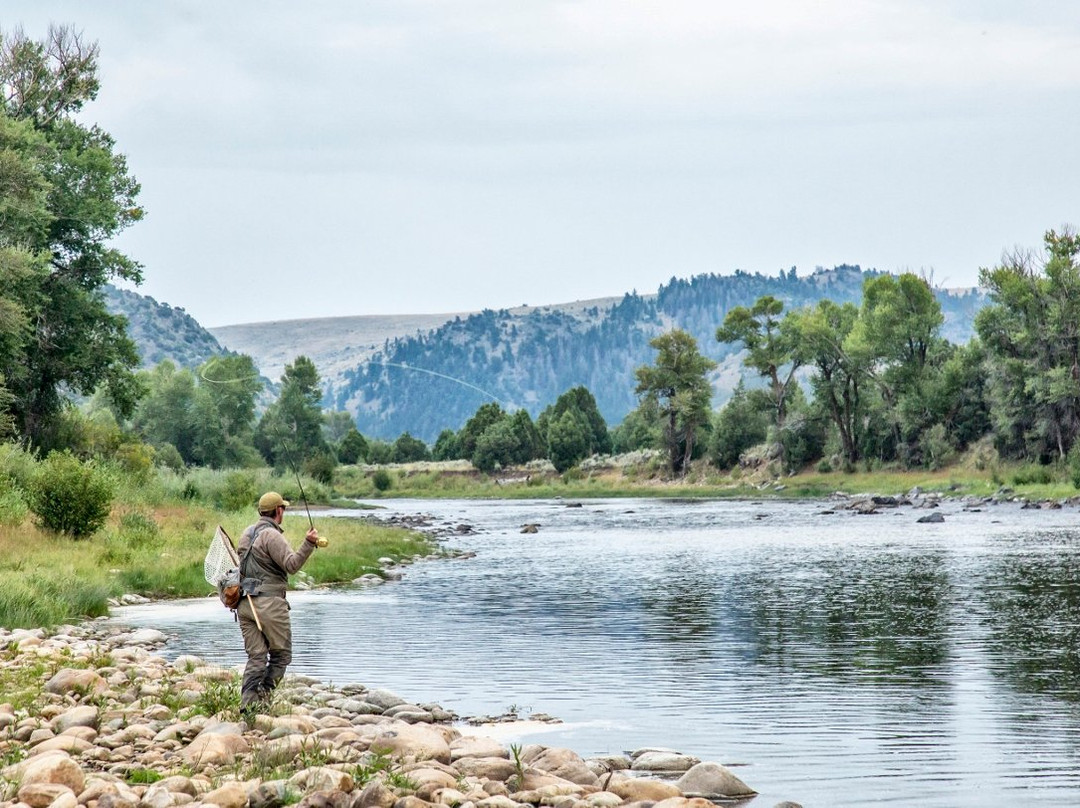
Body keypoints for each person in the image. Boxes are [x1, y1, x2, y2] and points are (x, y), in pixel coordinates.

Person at [236, 491, 320, 718]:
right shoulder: (272, 536)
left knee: (256, 656)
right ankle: (263, 698)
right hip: (270, 605)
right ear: (278, 511)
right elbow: (291, 565)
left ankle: (247, 705)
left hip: (245, 605)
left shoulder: (247, 533)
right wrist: (309, 543)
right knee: (282, 655)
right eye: (283, 508)